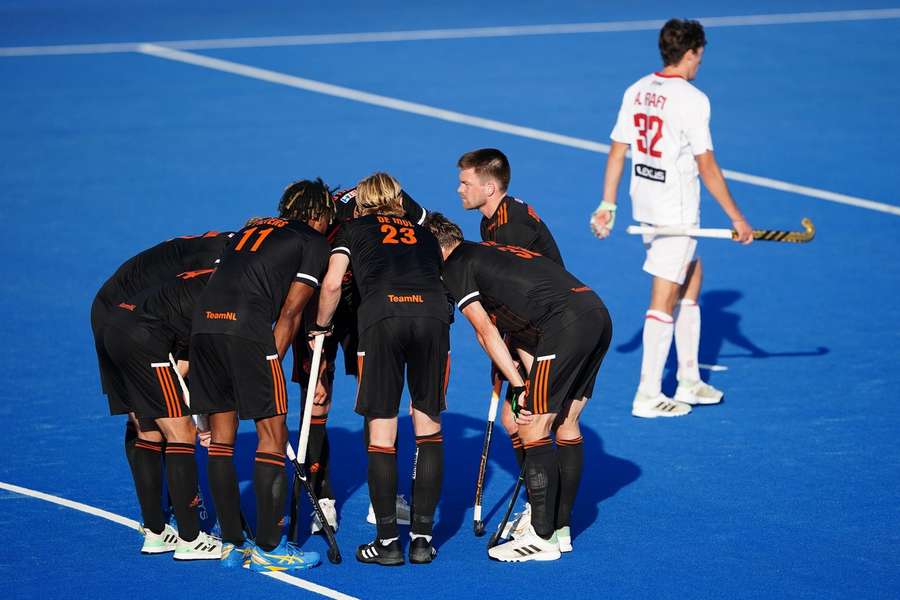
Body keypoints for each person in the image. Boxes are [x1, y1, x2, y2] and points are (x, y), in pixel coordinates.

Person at [425, 212, 612, 562]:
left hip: (565, 326)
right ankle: (559, 527)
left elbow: (485, 331)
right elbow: (525, 328)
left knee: (531, 425)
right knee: (567, 422)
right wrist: (526, 380)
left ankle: (541, 539)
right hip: (595, 313)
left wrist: (516, 385)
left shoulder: (454, 267)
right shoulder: (489, 253)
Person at [590, 18, 753, 419]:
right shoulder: (692, 99)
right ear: (693, 52)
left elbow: (617, 152)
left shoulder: (638, 89)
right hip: (675, 212)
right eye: (700, 54)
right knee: (664, 295)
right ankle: (647, 394)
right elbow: (707, 166)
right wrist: (737, 217)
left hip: (645, 203)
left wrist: (608, 205)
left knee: (692, 277)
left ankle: (688, 379)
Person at [189, 179, 333, 571]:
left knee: (221, 440)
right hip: (246, 333)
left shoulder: (248, 229)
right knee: (272, 435)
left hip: (203, 327)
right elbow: (289, 313)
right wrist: (269, 361)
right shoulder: (313, 242)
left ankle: (232, 542)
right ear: (317, 215)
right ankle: (271, 546)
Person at [311, 173, 450, 566]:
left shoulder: (352, 228)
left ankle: (387, 541)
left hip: (383, 317)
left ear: (362, 203)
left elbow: (334, 284)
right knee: (428, 427)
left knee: (383, 429)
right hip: (432, 318)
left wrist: (320, 328)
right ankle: (422, 539)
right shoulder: (424, 233)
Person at [289, 184, 426, 534]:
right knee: (316, 398)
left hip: (368, 305)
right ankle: (321, 498)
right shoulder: (301, 231)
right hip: (317, 304)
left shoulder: (375, 200)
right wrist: (315, 361)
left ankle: (386, 497)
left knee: (378, 397)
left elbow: (428, 226)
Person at [90, 230, 233, 553]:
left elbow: (187, 350)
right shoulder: (226, 273)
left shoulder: (230, 248)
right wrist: (204, 422)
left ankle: (156, 528)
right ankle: (189, 537)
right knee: (169, 425)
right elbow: (203, 348)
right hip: (137, 321)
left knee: (148, 423)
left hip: (119, 313)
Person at [457, 147, 566, 536]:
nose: (459, 190)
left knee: (534, 420)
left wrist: (517, 358)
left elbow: (528, 296)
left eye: (466, 183)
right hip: (523, 328)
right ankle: (540, 506)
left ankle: (547, 520)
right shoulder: (493, 222)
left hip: (544, 331)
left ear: (489, 187)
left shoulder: (509, 228)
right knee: (513, 420)